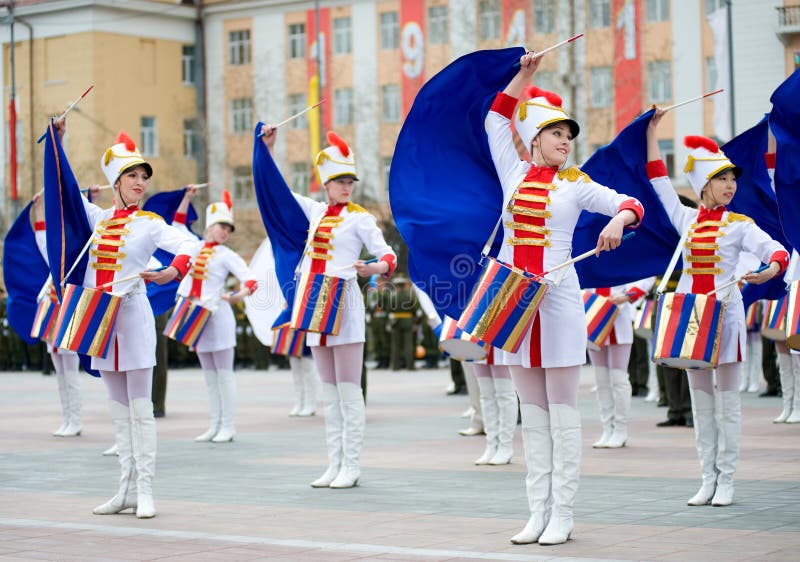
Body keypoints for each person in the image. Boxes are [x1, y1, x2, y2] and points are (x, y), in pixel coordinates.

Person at [486, 53, 643, 545]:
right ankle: (537, 512)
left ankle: (564, 513)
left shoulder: (576, 184)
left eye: (568, 134)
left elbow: (629, 203)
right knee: (530, 417)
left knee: (563, 411)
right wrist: (524, 76)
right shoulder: (511, 172)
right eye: (556, 133)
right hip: (513, 301)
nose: (565, 140)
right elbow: (495, 118)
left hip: (557, 302)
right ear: (534, 139)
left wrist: (619, 220)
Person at [51, 121, 196, 519]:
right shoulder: (98, 219)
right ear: (114, 180)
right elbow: (62, 189)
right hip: (101, 321)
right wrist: (58, 142)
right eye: (131, 175)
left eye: (143, 176)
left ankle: (147, 491)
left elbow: (187, 243)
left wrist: (173, 270)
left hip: (132, 316)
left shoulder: (148, 223)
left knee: (140, 408)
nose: (140, 182)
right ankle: (125, 490)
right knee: (117, 412)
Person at [646, 109, 789, 507]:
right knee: (701, 404)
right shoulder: (686, 220)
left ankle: (727, 479)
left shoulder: (740, 224)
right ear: (703, 186)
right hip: (692, 318)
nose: (729, 185)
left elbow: (775, 250)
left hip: (726, 317)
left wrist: (770, 269)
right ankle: (706, 477)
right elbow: (658, 181)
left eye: (731, 179)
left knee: (727, 404)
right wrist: (652, 132)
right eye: (721, 179)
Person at [261, 126, 397, 488]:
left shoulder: (361, 217)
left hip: (345, 300)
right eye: (339, 181)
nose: (346, 186)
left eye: (349, 180)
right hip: (313, 301)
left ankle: (351, 465)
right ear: (325, 183)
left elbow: (387, 253)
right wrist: (267, 151)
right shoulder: (315, 211)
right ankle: (333, 463)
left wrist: (375, 267)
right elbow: (277, 195)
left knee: (349, 389)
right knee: (329, 391)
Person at [172, 187, 257, 442]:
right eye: (222, 226)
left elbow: (250, 279)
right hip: (195, 318)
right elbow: (177, 225)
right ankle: (215, 424)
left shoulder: (227, 255)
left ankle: (228, 426)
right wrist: (187, 198)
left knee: (224, 374)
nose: (226, 232)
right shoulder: (193, 246)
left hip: (217, 317)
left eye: (229, 229)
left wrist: (238, 296)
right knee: (209, 376)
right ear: (210, 225)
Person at [32, 195, 83, 437]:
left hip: (69, 313)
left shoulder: (79, 253)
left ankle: (76, 420)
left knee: (70, 373)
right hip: (51, 311)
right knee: (60, 372)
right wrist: (39, 206)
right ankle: (67, 419)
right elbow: (41, 236)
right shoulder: (53, 251)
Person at [585, 279, 654, 449]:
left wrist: (628, 296)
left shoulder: (627, 251)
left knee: (619, 378)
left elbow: (646, 276)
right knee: (601, 380)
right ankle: (607, 429)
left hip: (619, 315)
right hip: (592, 313)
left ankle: (621, 430)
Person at [473, 348, 516, 465]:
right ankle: (491, 445)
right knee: (486, 395)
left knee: (505, 394)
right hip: (478, 335)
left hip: (500, 338)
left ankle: (505, 446)